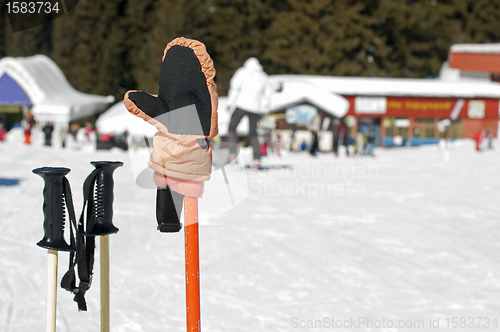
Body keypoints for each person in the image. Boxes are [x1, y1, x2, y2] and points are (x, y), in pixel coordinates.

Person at [227, 57, 269, 169]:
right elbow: (267, 94)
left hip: (241, 105)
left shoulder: (242, 72)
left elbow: (234, 88)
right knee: (253, 134)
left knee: (231, 128)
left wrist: (230, 103)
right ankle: (257, 160)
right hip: (256, 108)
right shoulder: (264, 76)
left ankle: (233, 153)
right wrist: (264, 108)